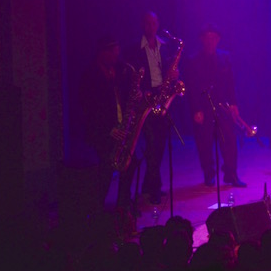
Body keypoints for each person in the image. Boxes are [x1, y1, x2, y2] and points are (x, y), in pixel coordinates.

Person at [121, 11, 179, 206]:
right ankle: (153, 187)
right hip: (146, 97)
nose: (150, 26)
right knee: (152, 143)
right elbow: (130, 75)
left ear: (157, 24)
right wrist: (142, 91)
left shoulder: (165, 46)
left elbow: (170, 69)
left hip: (161, 95)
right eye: (147, 23)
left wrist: (174, 74)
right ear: (142, 25)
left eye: (153, 23)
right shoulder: (134, 48)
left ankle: (150, 184)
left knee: (160, 144)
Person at [185, 23, 247, 188]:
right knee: (205, 142)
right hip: (204, 106)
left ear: (218, 40)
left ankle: (231, 174)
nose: (211, 41)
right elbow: (191, 88)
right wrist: (196, 109)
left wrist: (234, 104)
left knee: (229, 140)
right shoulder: (194, 60)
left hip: (222, 106)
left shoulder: (225, 57)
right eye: (208, 38)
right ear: (202, 40)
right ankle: (209, 173)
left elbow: (231, 83)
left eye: (214, 38)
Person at [79, 35, 131, 210]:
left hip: (120, 127)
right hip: (102, 133)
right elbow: (89, 109)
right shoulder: (90, 75)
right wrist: (109, 129)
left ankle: (123, 207)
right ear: (103, 53)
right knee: (105, 172)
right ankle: (97, 209)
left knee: (131, 163)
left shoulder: (117, 71)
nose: (117, 57)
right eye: (114, 53)